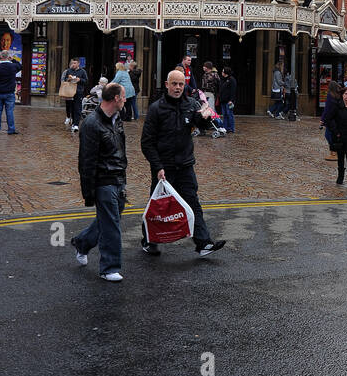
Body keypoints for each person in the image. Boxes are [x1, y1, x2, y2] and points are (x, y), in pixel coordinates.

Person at [140, 69, 225, 258]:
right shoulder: (156, 109)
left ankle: (203, 243)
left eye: (181, 84)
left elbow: (200, 126)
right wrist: (157, 166)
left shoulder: (190, 104)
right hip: (164, 168)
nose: (178, 87)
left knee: (193, 203)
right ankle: (149, 240)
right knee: (159, 207)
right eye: (174, 84)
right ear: (167, 84)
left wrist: (205, 117)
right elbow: (146, 142)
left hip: (185, 165)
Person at [72, 82, 128, 282]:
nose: (126, 100)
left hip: (118, 178)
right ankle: (109, 267)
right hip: (103, 181)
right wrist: (88, 192)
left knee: (109, 218)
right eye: (124, 96)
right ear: (116, 98)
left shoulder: (117, 118)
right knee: (111, 223)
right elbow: (86, 161)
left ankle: (82, 242)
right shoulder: (91, 124)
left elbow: (120, 150)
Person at [326, 84, 347, 187]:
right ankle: (340, 177)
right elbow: (329, 119)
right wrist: (335, 131)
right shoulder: (337, 106)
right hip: (339, 135)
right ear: (342, 95)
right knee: (341, 158)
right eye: (345, 94)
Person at [0, 49, 22, 134]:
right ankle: (11, 129)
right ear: (8, 57)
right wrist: (13, 59)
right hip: (9, 93)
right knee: (9, 111)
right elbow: (20, 65)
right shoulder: (13, 67)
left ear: (0, 57)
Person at [61, 57, 89, 132]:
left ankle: (76, 124)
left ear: (78, 64)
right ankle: (73, 123)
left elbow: (86, 81)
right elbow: (65, 80)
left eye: (75, 63)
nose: (73, 64)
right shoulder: (69, 71)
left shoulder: (82, 71)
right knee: (72, 108)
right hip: (70, 92)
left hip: (78, 92)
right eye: (72, 63)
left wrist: (80, 80)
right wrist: (69, 79)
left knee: (77, 108)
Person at [320, 80, 343, 160]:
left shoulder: (330, 96)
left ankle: (334, 153)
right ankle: (334, 152)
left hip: (330, 119)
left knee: (329, 135)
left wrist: (323, 119)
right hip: (335, 119)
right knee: (331, 135)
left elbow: (327, 109)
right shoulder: (338, 95)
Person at [218, 67, 236, 134]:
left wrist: (231, 100)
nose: (222, 72)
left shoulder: (232, 80)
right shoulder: (222, 79)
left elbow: (233, 91)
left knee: (229, 114)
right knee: (224, 115)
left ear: (226, 72)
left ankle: (231, 128)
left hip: (229, 101)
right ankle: (225, 128)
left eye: (223, 71)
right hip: (223, 100)